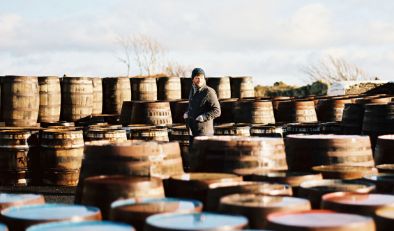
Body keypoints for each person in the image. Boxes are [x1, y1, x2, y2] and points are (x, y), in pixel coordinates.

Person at [184, 68, 221, 142]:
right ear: (193, 79)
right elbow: (193, 106)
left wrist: (203, 117)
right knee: (193, 153)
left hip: (204, 133)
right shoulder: (192, 90)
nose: (199, 80)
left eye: (201, 78)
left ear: (204, 79)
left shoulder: (209, 92)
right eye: (197, 78)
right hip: (192, 131)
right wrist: (188, 113)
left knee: (203, 153)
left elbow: (217, 111)